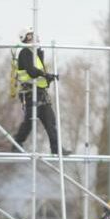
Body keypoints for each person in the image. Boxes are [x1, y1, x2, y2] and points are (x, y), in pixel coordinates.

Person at [12, 26, 71, 155]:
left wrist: (49, 77)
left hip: (40, 93)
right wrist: (45, 75)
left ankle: (56, 148)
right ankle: (17, 143)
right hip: (29, 93)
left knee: (51, 121)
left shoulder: (35, 54)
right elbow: (32, 72)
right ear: (26, 38)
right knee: (30, 121)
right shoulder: (25, 53)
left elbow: (39, 74)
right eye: (31, 35)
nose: (35, 37)